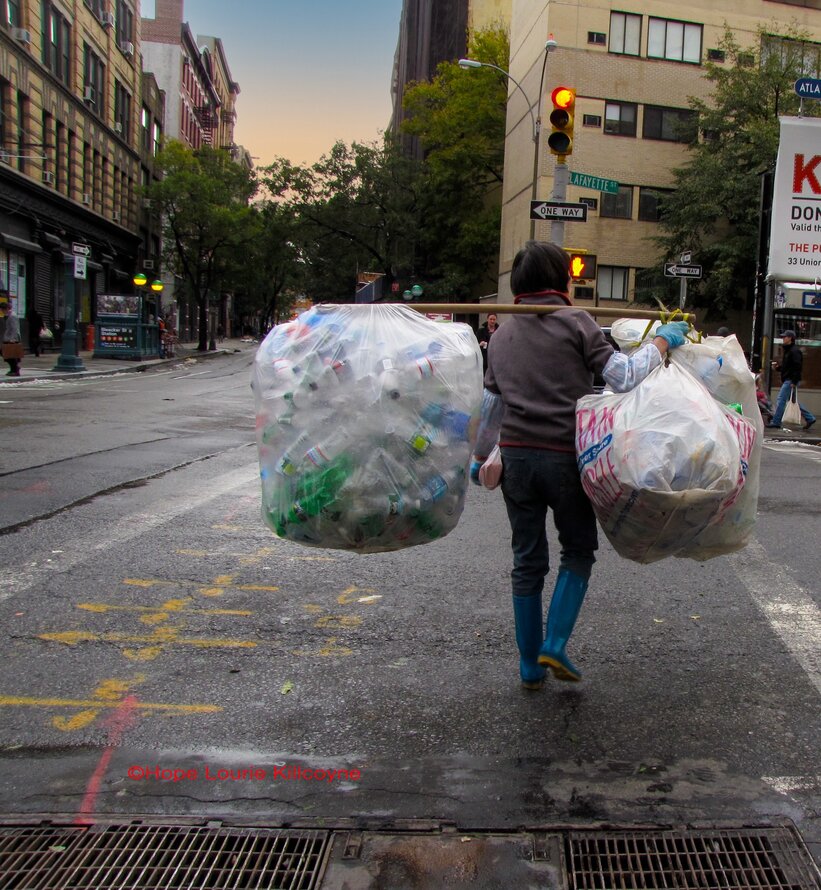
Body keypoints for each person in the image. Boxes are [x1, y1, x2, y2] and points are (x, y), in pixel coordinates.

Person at [470, 241, 690, 688]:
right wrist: (663, 342)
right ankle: (554, 644)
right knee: (578, 551)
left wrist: (478, 458)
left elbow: (491, 407)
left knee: (526, 561)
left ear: (518, 287)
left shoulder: (502, 336)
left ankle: (529, 667)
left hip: (516, 461)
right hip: (567, 460)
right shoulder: (576, 322)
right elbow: (624, 376)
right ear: (562, 281)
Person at [768, 330, 815, 431]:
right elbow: (788, 367)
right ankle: (810, 418)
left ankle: (776, 422)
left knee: (781, 400)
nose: (783, 338)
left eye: (785, 337)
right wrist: (778, 368)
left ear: (790, 338)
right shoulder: (789, 350)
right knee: (794, 401)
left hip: (790, 380)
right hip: (789, 379)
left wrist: (794, 381)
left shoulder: (794, 351)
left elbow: (797, 367)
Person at [1, 301, 23, 377]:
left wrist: (13, 339)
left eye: (2, 310)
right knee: (8, 355)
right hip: (9, 338)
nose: (2, 311)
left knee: (10, 355)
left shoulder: (12, 316)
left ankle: (15, 370)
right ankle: (14, 369)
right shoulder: (9, 315)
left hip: (12, 338)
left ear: (6, 308)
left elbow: (15, 328)